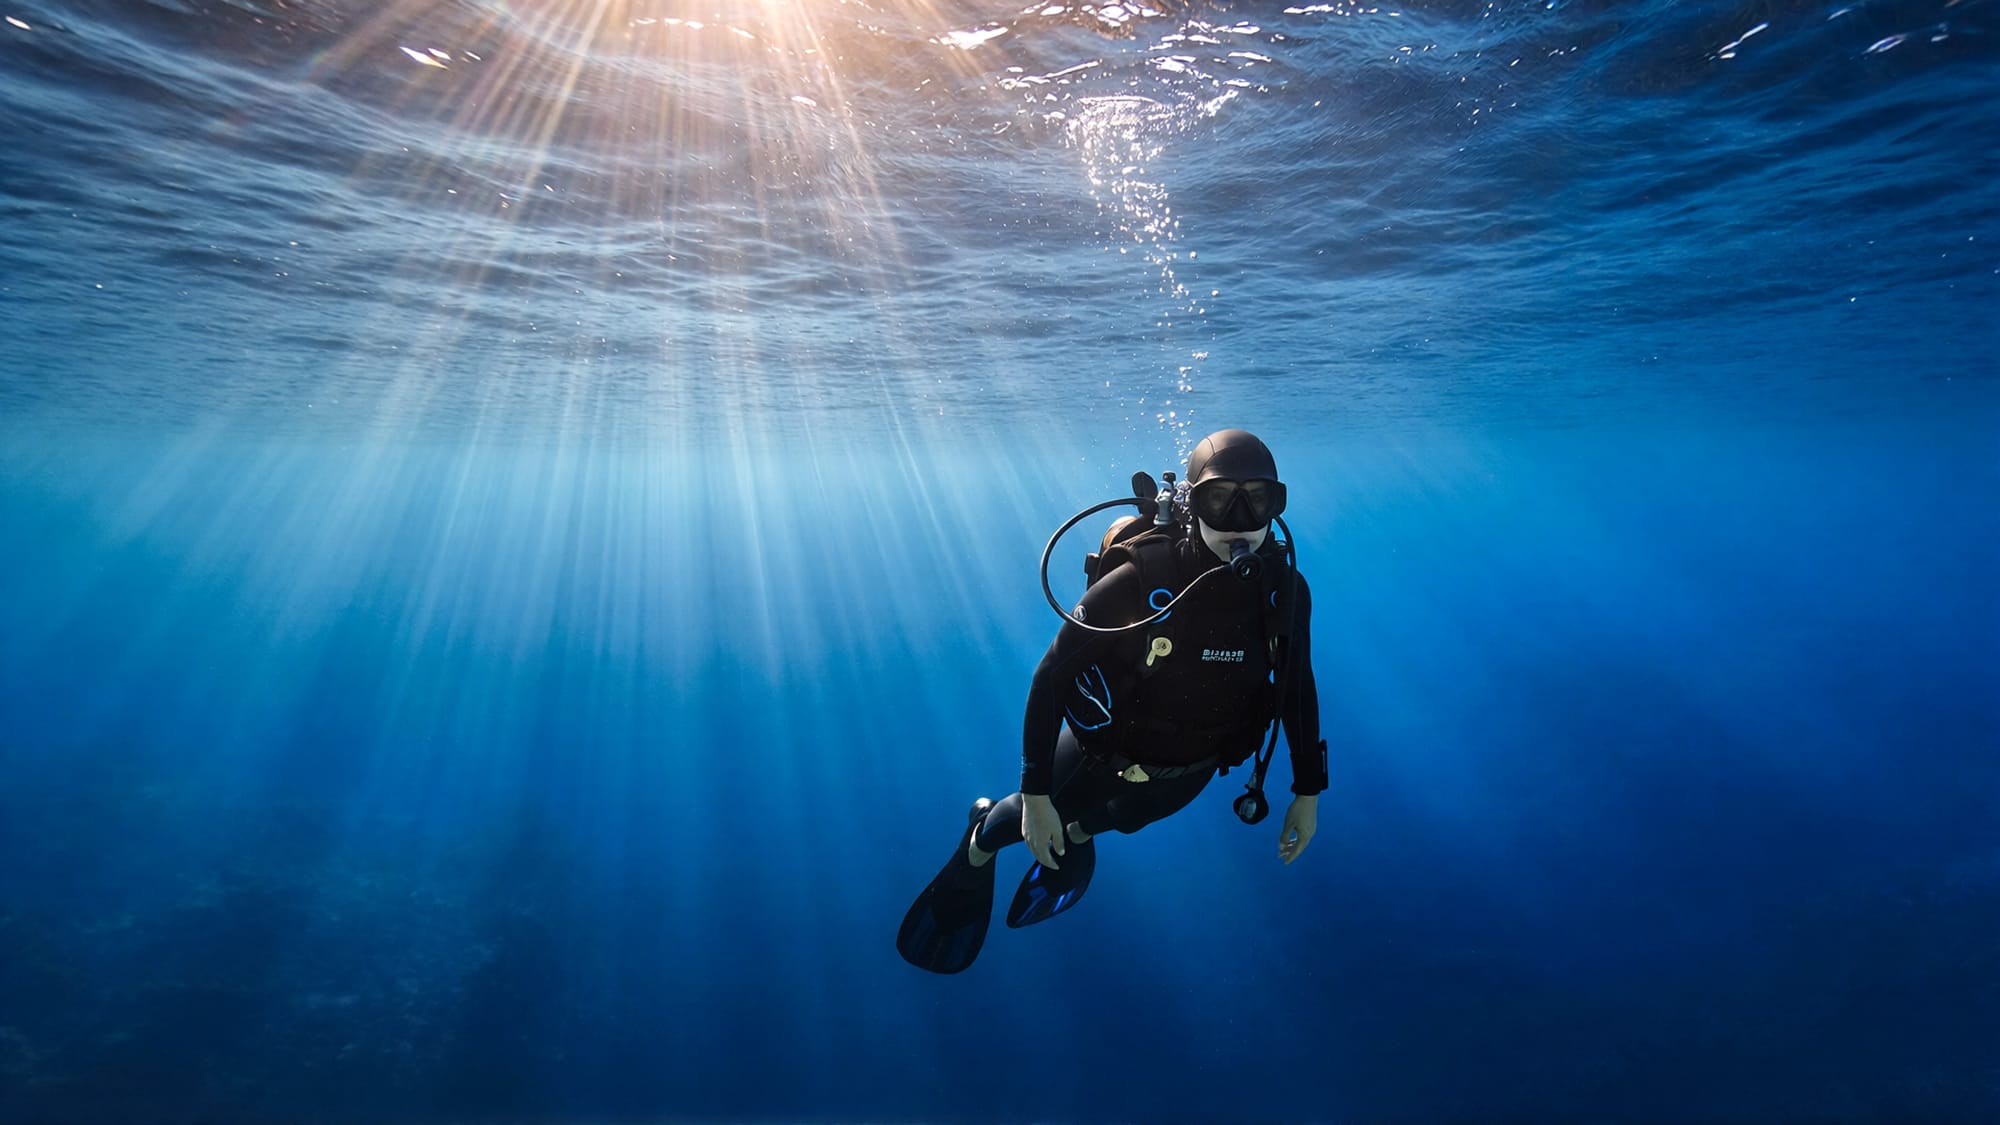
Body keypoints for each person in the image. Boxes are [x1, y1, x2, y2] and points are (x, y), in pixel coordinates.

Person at [897, 429, 1330, 974]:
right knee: (1031, 820)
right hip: (1099, 757)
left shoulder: (1285, 591)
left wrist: (1308, 792)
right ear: (1192, 505)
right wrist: (1035, 794)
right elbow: (1051, 676)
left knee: (1117, 821)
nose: (1239, 520)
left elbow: (1296, 685)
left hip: (1190, 773)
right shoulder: (1141, 578)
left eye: (1258, 500)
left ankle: (1074, 837)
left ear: (1277, 504)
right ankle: (979, 842)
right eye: (1219, 500)